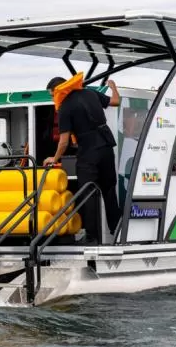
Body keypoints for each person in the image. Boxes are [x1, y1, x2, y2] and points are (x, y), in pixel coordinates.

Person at [43, 76, 121, 244]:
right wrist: (113, 87)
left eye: (52, 95)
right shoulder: (90, 93)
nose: (52, 98)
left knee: (88, 194)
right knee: (109, 189)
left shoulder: (65, 107)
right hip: (106, 146)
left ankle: (92, 237)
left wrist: (54, 158)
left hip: (88, 152)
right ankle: (118, 230)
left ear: (59, 90)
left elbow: (63, 141)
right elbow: (115, 101)